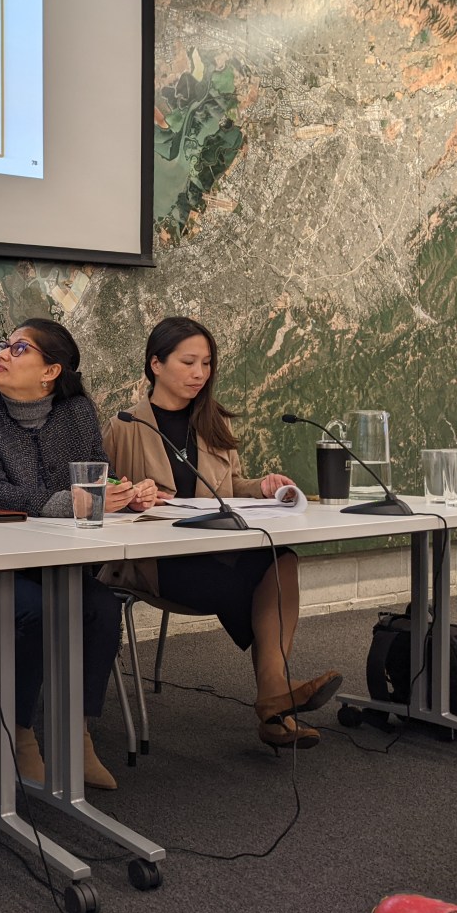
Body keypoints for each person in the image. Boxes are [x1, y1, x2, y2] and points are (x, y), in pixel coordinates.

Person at [0, 319, 159, 789]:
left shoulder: (76, 412)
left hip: (47, 560)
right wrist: (70, 503)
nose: (3, 353)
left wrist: (125, 495)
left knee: (98, 606)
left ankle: (77, 734)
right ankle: (21, 736)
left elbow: (94, 483)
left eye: (19, 348)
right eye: (3, 345)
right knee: (31, 609)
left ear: (50, 370)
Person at [101, 316, 342, 751]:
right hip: (155, 561)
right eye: (188, 362)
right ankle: (274, 705)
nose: (200, 373)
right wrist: (133, 495)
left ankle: (273, 695)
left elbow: (228, 490)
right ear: (155, 364)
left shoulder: (213, 422)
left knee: (281, 557)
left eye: (207, 363)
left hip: (212, 548)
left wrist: (264, 487)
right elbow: (101, 493)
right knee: (255, 583)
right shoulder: (125, 426)